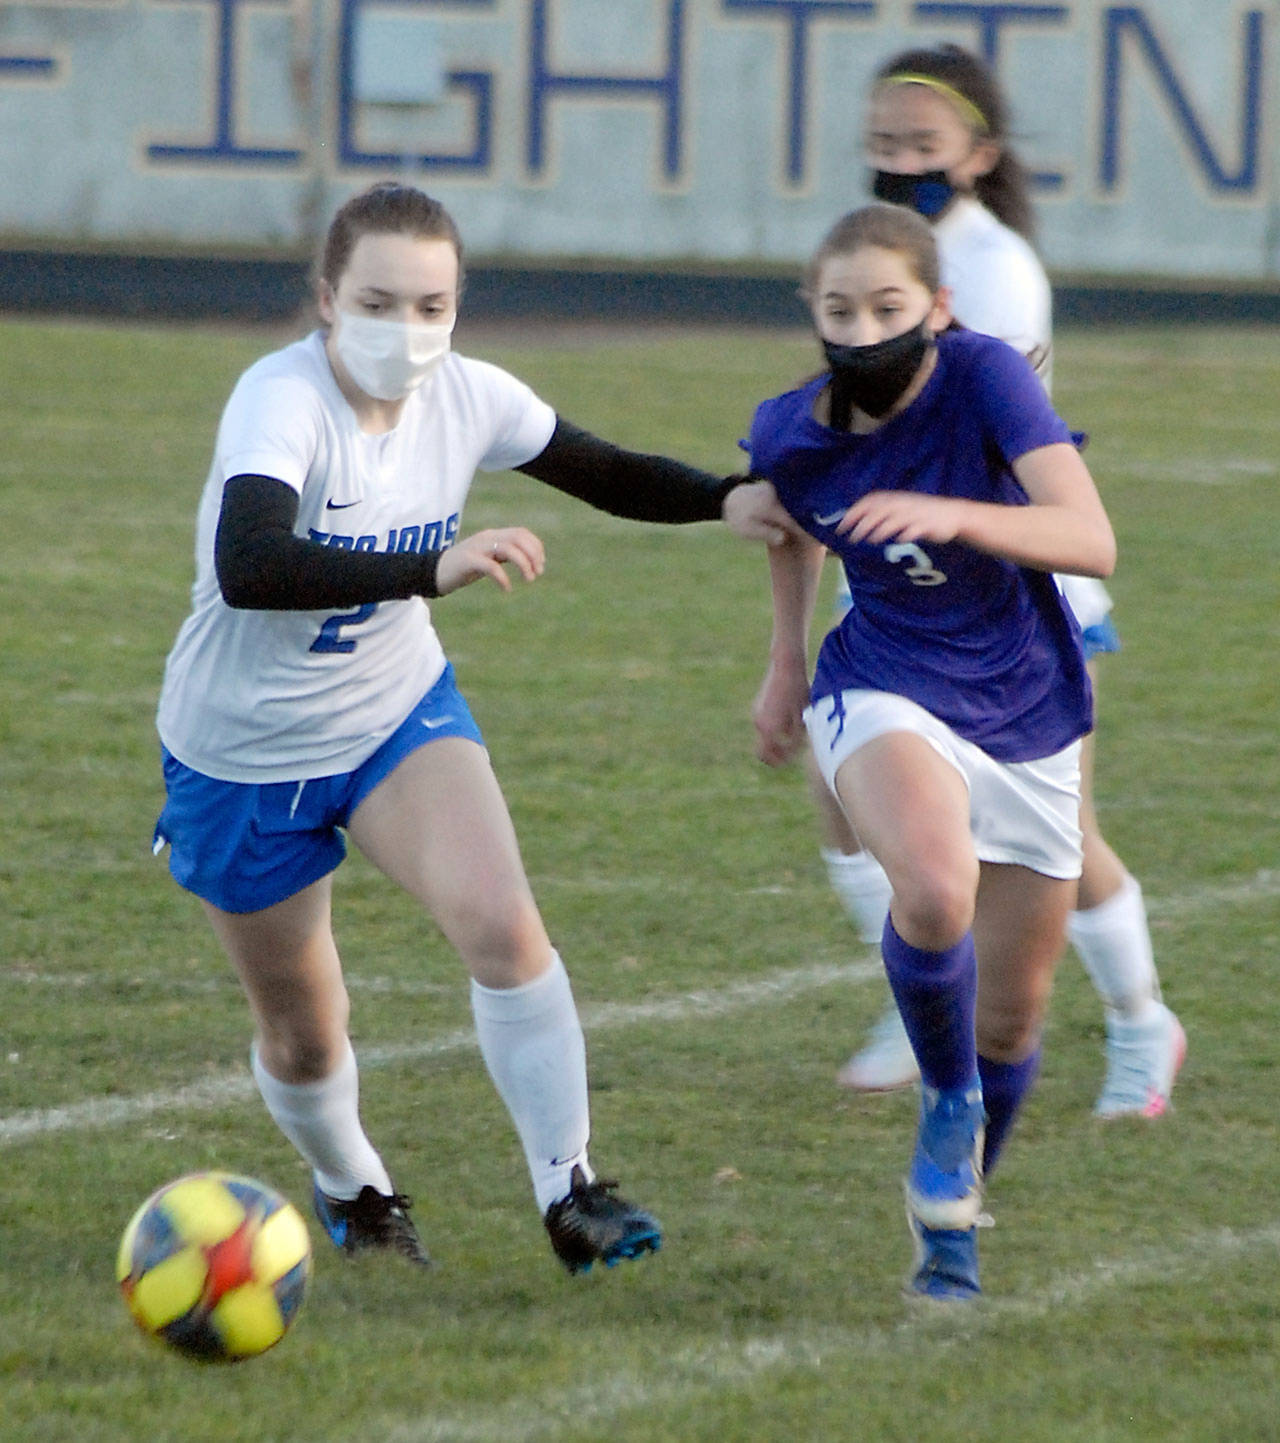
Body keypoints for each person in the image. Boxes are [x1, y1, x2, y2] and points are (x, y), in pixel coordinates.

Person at [152, 180, 792, 1274]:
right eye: (379, 300)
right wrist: (432, 566)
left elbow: (600, 468)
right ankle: (357, 1193)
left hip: (394, 712)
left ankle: (571, 1192)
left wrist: (723, 497)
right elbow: (249, 565)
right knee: (306, 1033)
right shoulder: (281, 398)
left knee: (504, 928)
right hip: (240, 752)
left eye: (432, 305)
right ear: (324, 298)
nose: (407, 330)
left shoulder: (468, 394)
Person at [748, 203, 1115, 1297]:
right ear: (810, 316)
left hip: (1026, 702)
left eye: (887, 307)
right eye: (838, 310)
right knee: (932, 886)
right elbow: (792, 525)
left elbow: (1087, 538)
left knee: (1013, 1015)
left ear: (937, 309)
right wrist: (781, 663)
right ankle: (944, 1100)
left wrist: (954, 514)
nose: (862, 331)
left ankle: (948, 1214)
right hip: (884, 679)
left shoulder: (986, 378)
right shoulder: (790, 427)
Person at [827, 45, 1184, 1117]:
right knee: (845, 807)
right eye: (881, 146)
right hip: (904, 575)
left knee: (1058, 840)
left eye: (920, 147)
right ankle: (921, 986)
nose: (897, 163)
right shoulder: (885, 255)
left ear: (977, 155)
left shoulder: (990, 270)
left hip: (1007, 597)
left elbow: (977, 437)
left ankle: (1138, 1022)